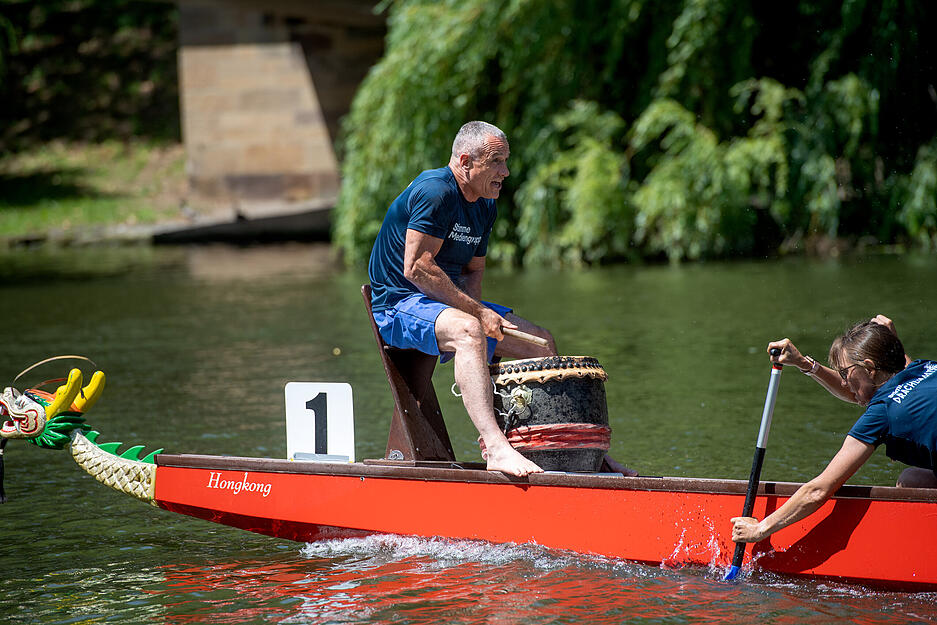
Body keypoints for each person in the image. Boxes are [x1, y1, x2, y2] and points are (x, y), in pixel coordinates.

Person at [368, 121, 558, 477]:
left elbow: (473, 272)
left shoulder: (485, 203)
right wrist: (477, 316)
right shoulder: (435, 191)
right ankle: (496, 448)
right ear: (466, 161)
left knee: (542, 345)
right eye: (497, 161)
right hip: (398, 304)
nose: (506, 171)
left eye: (506, 160)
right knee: (470, 331)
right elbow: (417, 269)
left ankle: (557, 447)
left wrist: (482, 315)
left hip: (444, 306)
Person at [731, 315, 937, 545]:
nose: (843, 383)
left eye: (844, 373)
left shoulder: (882, 413)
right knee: (912, 480)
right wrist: (804, 363)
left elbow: (819, 490)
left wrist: (760, 529)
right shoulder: (924, 367)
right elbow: (866, 388)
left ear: (869, 368)